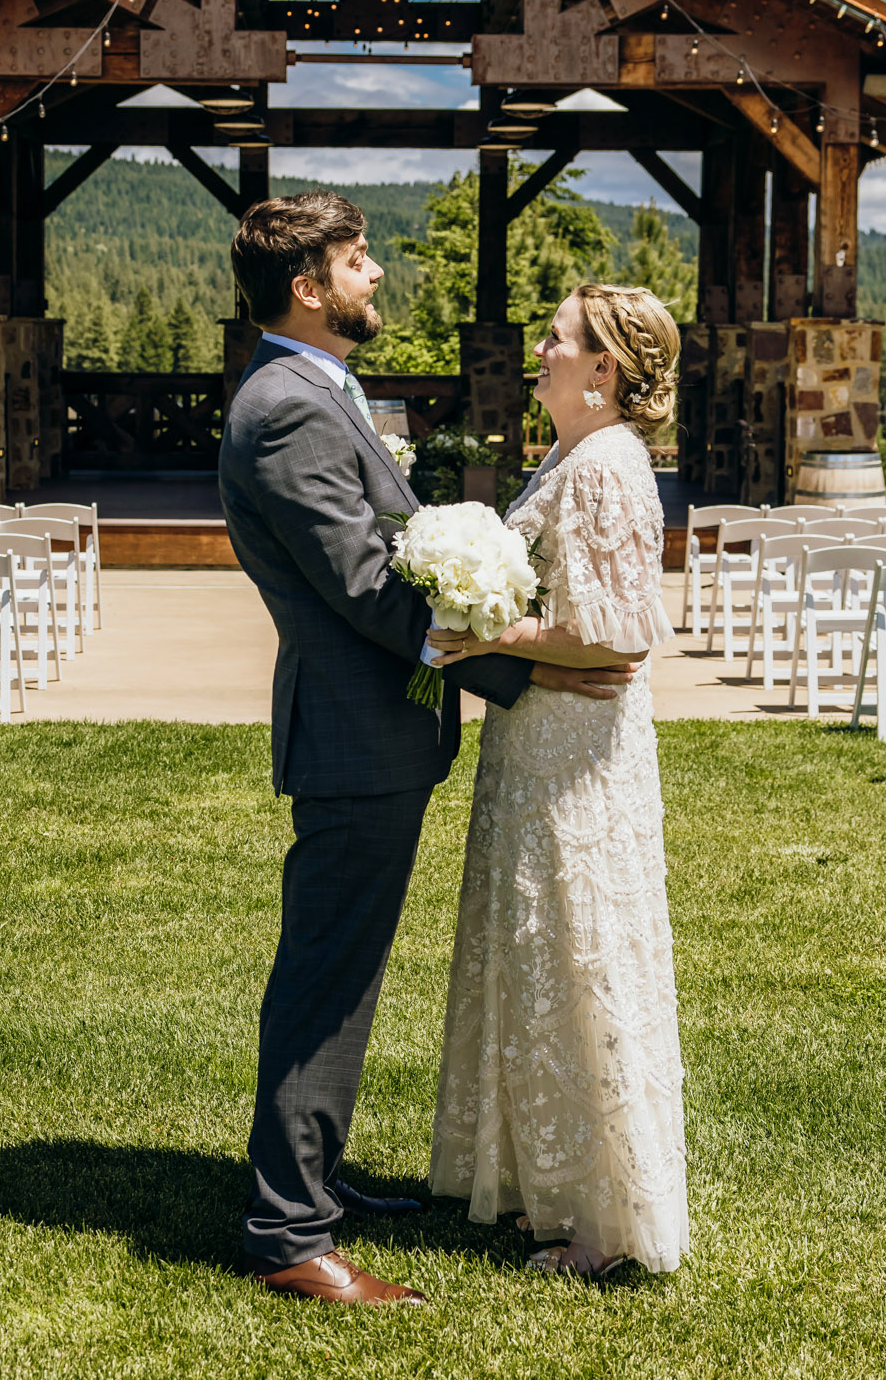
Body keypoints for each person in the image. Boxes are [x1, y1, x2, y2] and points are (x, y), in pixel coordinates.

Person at [217, 193, 637, 1307]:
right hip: (354, 738)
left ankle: (316, 1173)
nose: (377, 276)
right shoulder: (289, 408)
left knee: (341, 968)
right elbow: (366, 587)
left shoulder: (315, 390)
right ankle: (289, 1231)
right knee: (327, 974)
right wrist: (532, 668)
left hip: (377, 733)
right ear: (307, 285)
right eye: (358, 262)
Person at [422, 283, 689, 1279]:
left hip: (577, 754)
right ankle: (536, 1176)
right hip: (541, 734)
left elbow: (621, 629)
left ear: (604, 369)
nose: (538, 346)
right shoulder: (573, 456)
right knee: (537, 950)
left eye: (557, 337)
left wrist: (477, 633)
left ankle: (603, 1220)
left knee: (579, 953)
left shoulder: (608, 467)